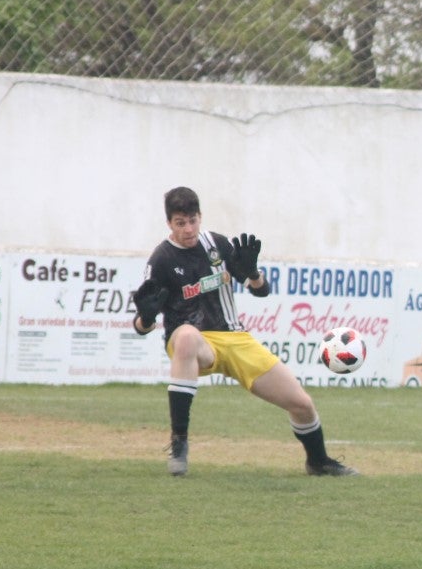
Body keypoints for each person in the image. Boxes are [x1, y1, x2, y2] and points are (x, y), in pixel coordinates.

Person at [132, 186, 358, 478]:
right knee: (187, 336)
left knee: (302, 404)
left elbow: (261, 291)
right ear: (169, 224)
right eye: (180, 223)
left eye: (192, 221)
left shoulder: (217, 245)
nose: (188, 229)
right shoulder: (161, 260)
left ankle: (318, 461)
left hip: (234, 338)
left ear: (200, 217)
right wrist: (147, 316)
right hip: (193, 342)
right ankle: (179, 443)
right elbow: (142, 327)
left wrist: (252, 272)